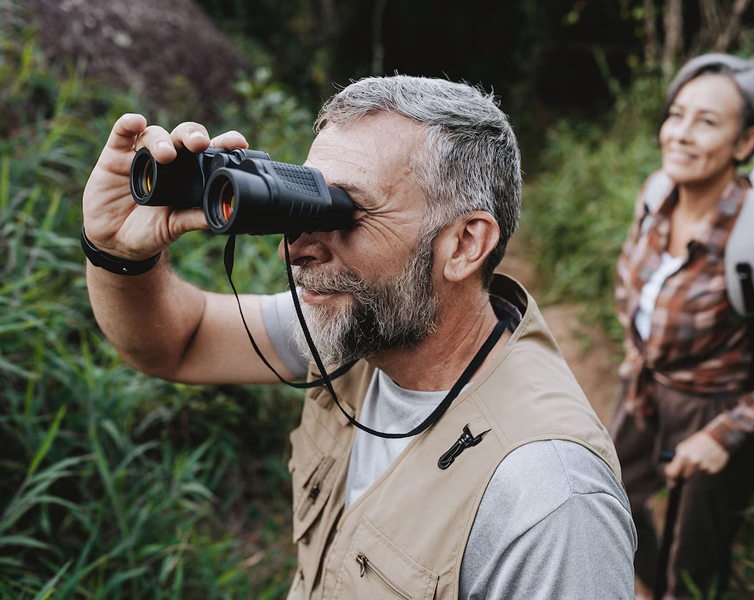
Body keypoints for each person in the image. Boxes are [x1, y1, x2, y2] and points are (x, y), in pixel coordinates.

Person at [82, 75, 637, 599]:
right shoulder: (358, 330)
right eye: (304, 201)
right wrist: (118, 250)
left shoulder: (547, 499)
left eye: (345, 211)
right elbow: (178, 342)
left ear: (466, 244)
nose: (295, 246)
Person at [611, 54, 754, 599]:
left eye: (706, 122)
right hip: (643, 385)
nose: (680, 134)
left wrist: (721, 437)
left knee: (696, 560)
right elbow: (637, 290)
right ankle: (649, 582)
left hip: (716, 407)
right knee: (607, 497)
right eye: (676, 114)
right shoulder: (657, 193)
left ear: (745, 142)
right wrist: (637, 352)